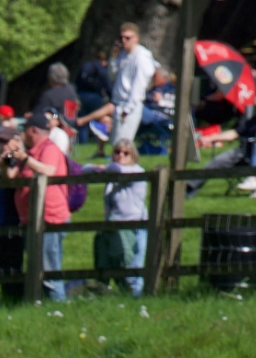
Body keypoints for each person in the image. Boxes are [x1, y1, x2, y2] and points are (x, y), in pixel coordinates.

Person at [11, 110, 71, 301]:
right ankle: (46, 303)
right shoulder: (32, 153)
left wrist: (25, 159)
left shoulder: (50, 149)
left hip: (50, 218)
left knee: (49, 267)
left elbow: (49, 170)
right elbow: (13, 177)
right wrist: (6, 162)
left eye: (25, 130)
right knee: (39, 265)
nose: (22, 135)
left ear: (33, 131)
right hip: (34, 218)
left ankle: (58, 305)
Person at [95, 138, 148, 295]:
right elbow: (85, 170)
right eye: (117, 152)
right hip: (115, 227)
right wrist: (97, 168)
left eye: (126, 153)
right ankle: (124, 298)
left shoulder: (137, 172)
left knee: (133, 271)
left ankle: (138, 300)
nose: (121, 155)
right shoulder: (112, 176)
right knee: (117, 266)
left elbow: (119, 170)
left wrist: (104, 168)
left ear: (133, 156)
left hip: (135, 227)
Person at [112, 22, 156, 145]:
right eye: (121, 38)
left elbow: (139, 85)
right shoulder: (123, 54)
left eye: (127, 38)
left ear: (136, 38)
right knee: (115, 143)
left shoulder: (142, 56)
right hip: (118, 102)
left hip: (130, 105)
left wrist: (127, 109)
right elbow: (112, 76)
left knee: (122, 143)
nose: (123, 40)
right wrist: (113, 57)